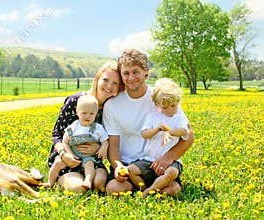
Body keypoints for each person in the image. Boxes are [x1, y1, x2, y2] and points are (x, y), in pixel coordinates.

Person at [103, 49, 194, 196]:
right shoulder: (112, 105)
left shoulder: (162, 96)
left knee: (172, 190)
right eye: (126, 73)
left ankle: (147, 189)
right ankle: (147, 189)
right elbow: (113, 146)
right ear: (121, 74)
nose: (131, 77)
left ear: (146, 72)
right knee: (114, 189)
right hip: (129, 166)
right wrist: (118, 167)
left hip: (158, 165)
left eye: (136, 72)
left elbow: (189, 136)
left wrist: (167, 158)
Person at [47, 61, 123, 193]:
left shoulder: (110, 109)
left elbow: (109, 140)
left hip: (92, 160)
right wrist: (64, 154)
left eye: (115, 83)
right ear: (97, 79)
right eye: (106, 80)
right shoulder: (75, 101)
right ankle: (61, 179)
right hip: (69, 159)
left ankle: (89, 180)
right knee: (78, 189)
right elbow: (57, 135)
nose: (109, 86)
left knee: (99, 184)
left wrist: (99, 147)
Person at [126, 78, 189, 197]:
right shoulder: (152, 117)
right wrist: (157, 129)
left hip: (171, 162)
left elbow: (183, 131)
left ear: (178, 102)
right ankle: (145, 188)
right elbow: (144, 134)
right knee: (130, 170)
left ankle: (148, 192)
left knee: (172, 173)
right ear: (157, 104)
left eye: (173, 106)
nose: (170, 110)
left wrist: (169, 131)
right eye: (165, 108)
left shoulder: (179, 118)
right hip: (149, 159)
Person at [44, 95, 109, 189]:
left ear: (96, 114)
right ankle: (50, 182)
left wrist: (103, 147)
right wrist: (69, 154)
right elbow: (65, 142)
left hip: (87, 156)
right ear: (77, 112)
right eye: (84, 113)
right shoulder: (73, 127)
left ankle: (88, 180)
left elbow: (105, 141)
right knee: (58, 163)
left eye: (92, 114)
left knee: (89, 165)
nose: (88, 116)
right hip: (72, 154)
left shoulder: (97, 128)